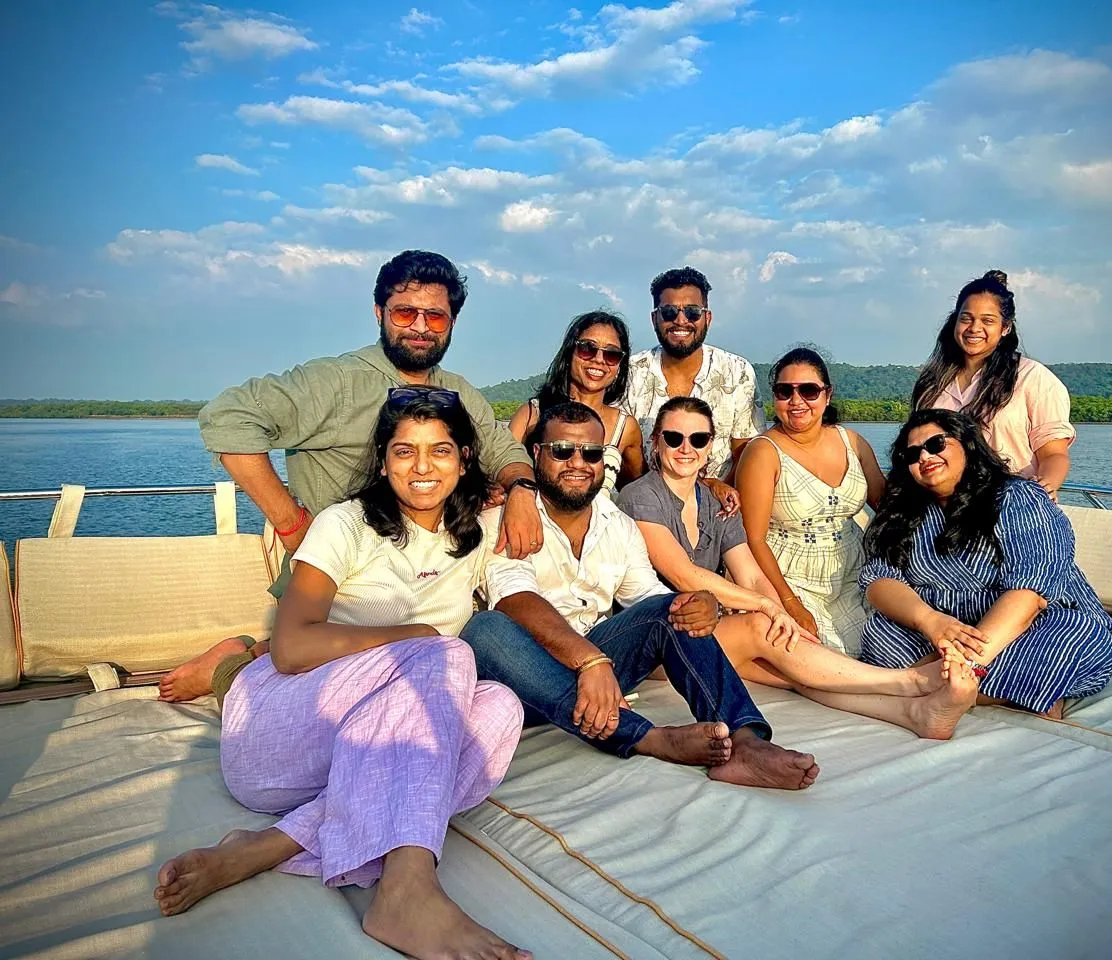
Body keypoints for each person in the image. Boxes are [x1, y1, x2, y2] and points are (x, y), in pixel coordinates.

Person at [154, 388, 531, 960]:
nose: (422, 467)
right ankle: (407, 886)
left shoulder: (477, 532)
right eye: (404, 451)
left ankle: (270, 846)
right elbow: (290, 647)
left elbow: (526, 583)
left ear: (465, 459)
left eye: (440, 450)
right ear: (382, 460)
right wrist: (416, 635)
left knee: (501, 705)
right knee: (449, 655)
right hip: (277, 739)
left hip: (367, 750)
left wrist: (523, 491)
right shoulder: (346, 524)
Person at [461, 401, 822, 790]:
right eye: (562, 451)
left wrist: (703, 603)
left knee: (674, 608)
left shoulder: (617, 525)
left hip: (599, 671)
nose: (578, 463)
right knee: (485, 630)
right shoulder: (506, 518)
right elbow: (516, 601)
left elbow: (650, 598)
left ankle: (745, 740)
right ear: (537, 454)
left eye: (592, 453)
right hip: (527, 677)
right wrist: (590, 661)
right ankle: (648, 737)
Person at [619, 396, 979, 738]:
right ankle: (909, 681)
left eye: (698, 439)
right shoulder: (640, 496)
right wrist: (768, 608)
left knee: (794, 668)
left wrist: (783, 616)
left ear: (711, 445)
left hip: (704, 632)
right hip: (658, 639)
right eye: (674, 438)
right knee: (763, 627)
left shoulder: (718, 504)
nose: (686, 448)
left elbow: (751, 575)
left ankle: (914, 714)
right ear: (655, 442)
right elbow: (683, 573)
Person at [198, 250, 543, 583]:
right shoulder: (338, 381)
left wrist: (522, 491)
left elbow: (504, 452)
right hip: (343, 583)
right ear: (379, 313)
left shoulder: (459, 392)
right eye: (405, 313)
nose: (420, 327)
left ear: (452, 322)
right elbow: (227, 417)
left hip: (436, 573)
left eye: (435, 317)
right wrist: (293, 526)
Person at [858, 409, 1112, 723]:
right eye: (912, 454)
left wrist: (966, 662)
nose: (925, 456)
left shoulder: (1016, 498)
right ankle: (1001, 692)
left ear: (967, 444)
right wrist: (930, 621)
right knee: (881, 631)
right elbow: (879, 580)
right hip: (945, 629)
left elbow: (1030, 594)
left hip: (1028, 624)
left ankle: (932, 685)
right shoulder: (904, 515)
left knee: (1073, 635)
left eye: (936, 444)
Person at [736, 348, 885, 656]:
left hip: (853, 568)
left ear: (827, 395)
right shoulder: (763, 452)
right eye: (785, 391)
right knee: (822, 657)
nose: (796, 401)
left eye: (808, 390)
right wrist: (789, 602)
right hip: (790, 575)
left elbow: (887, 505)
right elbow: (754, 539)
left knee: (885, 647)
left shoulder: (852, 442)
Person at [911, 269, 1075, 499]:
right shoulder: (932, 384)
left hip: (1009, 502)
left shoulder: (1031, 377)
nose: (974, 328)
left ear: (1005, 328)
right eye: (966, 319)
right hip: (943, 508)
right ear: (955, 321)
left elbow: (1054, 454)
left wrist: (1044, 488)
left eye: (987, 321)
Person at [621, 266, 764, 506]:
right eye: (669, 312)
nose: (681, 321)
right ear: (654, 318)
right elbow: (625, 453)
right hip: (645, 504)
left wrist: (712, 490)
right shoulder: (629, 373)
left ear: (707, 317)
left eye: (692, 312)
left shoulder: (737, 371)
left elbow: (745, 452)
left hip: (719, 506)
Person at [507, 310, 645, 497]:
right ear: (569, 353)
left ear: (620, 365)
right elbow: (502, 470)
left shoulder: (625, 427)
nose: (599, 359)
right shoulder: (532, 414)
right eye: (588, 348)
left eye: (611, 354)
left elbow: (638, 491)